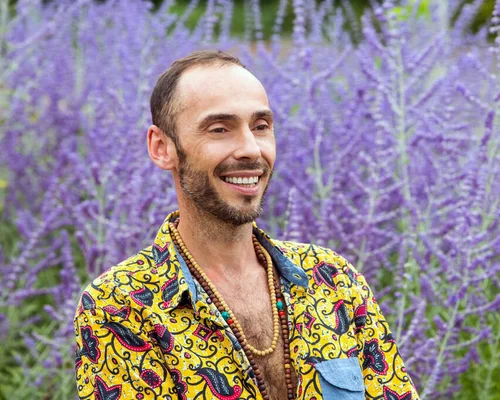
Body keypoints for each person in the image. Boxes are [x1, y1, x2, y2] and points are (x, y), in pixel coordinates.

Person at [74, 50, 420, 400]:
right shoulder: (122, 305)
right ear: (162, 147)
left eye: (261, 126)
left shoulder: (332, 280)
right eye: (220, 129)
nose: (250, 149)